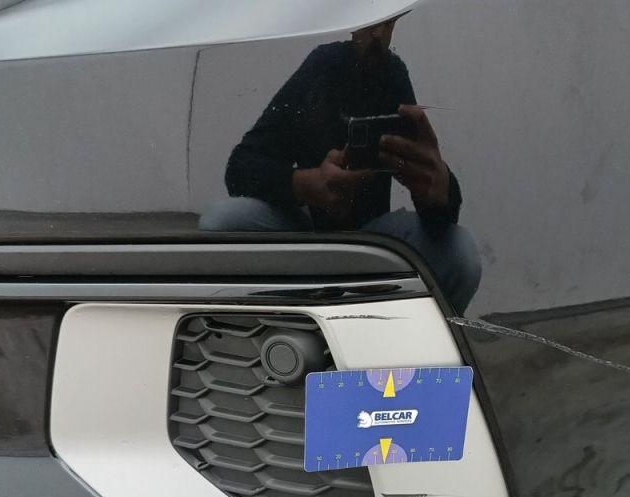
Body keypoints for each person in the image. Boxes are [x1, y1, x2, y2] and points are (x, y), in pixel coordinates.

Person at [199, 16, 481, 313]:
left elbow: (428, 187)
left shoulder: (390, 72)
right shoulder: (324, 66)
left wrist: (440, 191)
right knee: (220, 221)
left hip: (368, 238)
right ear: (353, 22)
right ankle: (294, 316)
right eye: (372, 22)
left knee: (461, 254)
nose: (378, 34)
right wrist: (305, 185)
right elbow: (240, 167)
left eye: (387, 24)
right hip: (311, 231)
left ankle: (427, 338)